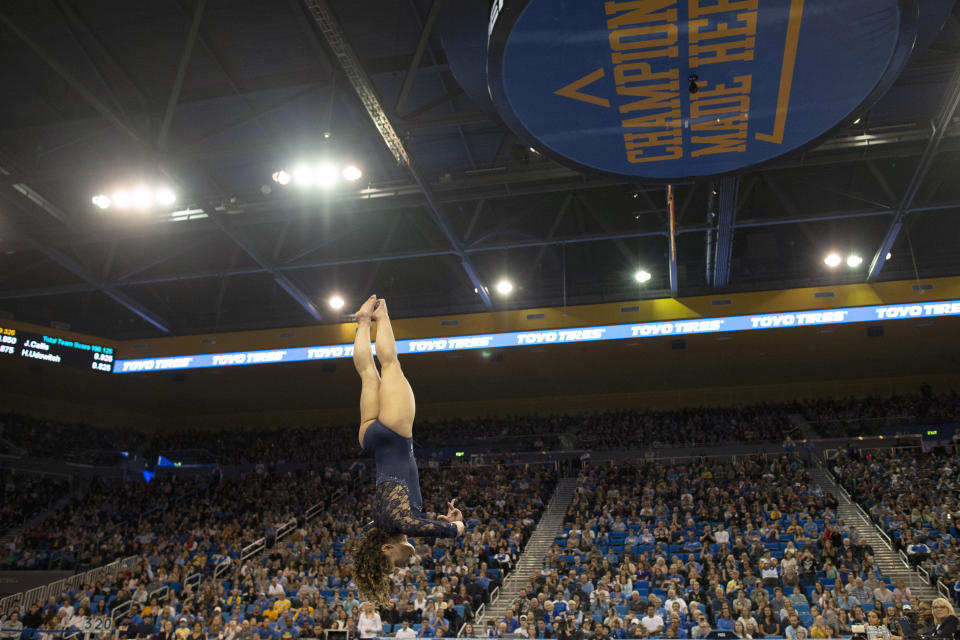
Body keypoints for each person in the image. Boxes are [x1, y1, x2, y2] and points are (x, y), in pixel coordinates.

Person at [350, 296, 465, 605]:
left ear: (386, 549)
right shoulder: (379, 524)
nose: (406, 564)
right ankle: (362, 322)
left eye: (397, 564)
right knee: (368, 374)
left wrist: (456, 527)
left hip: (394, 435)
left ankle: (382, 315)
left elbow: (416, 526)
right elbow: (403, 524)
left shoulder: (399, 523)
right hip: (371, 440)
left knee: (389, 365)